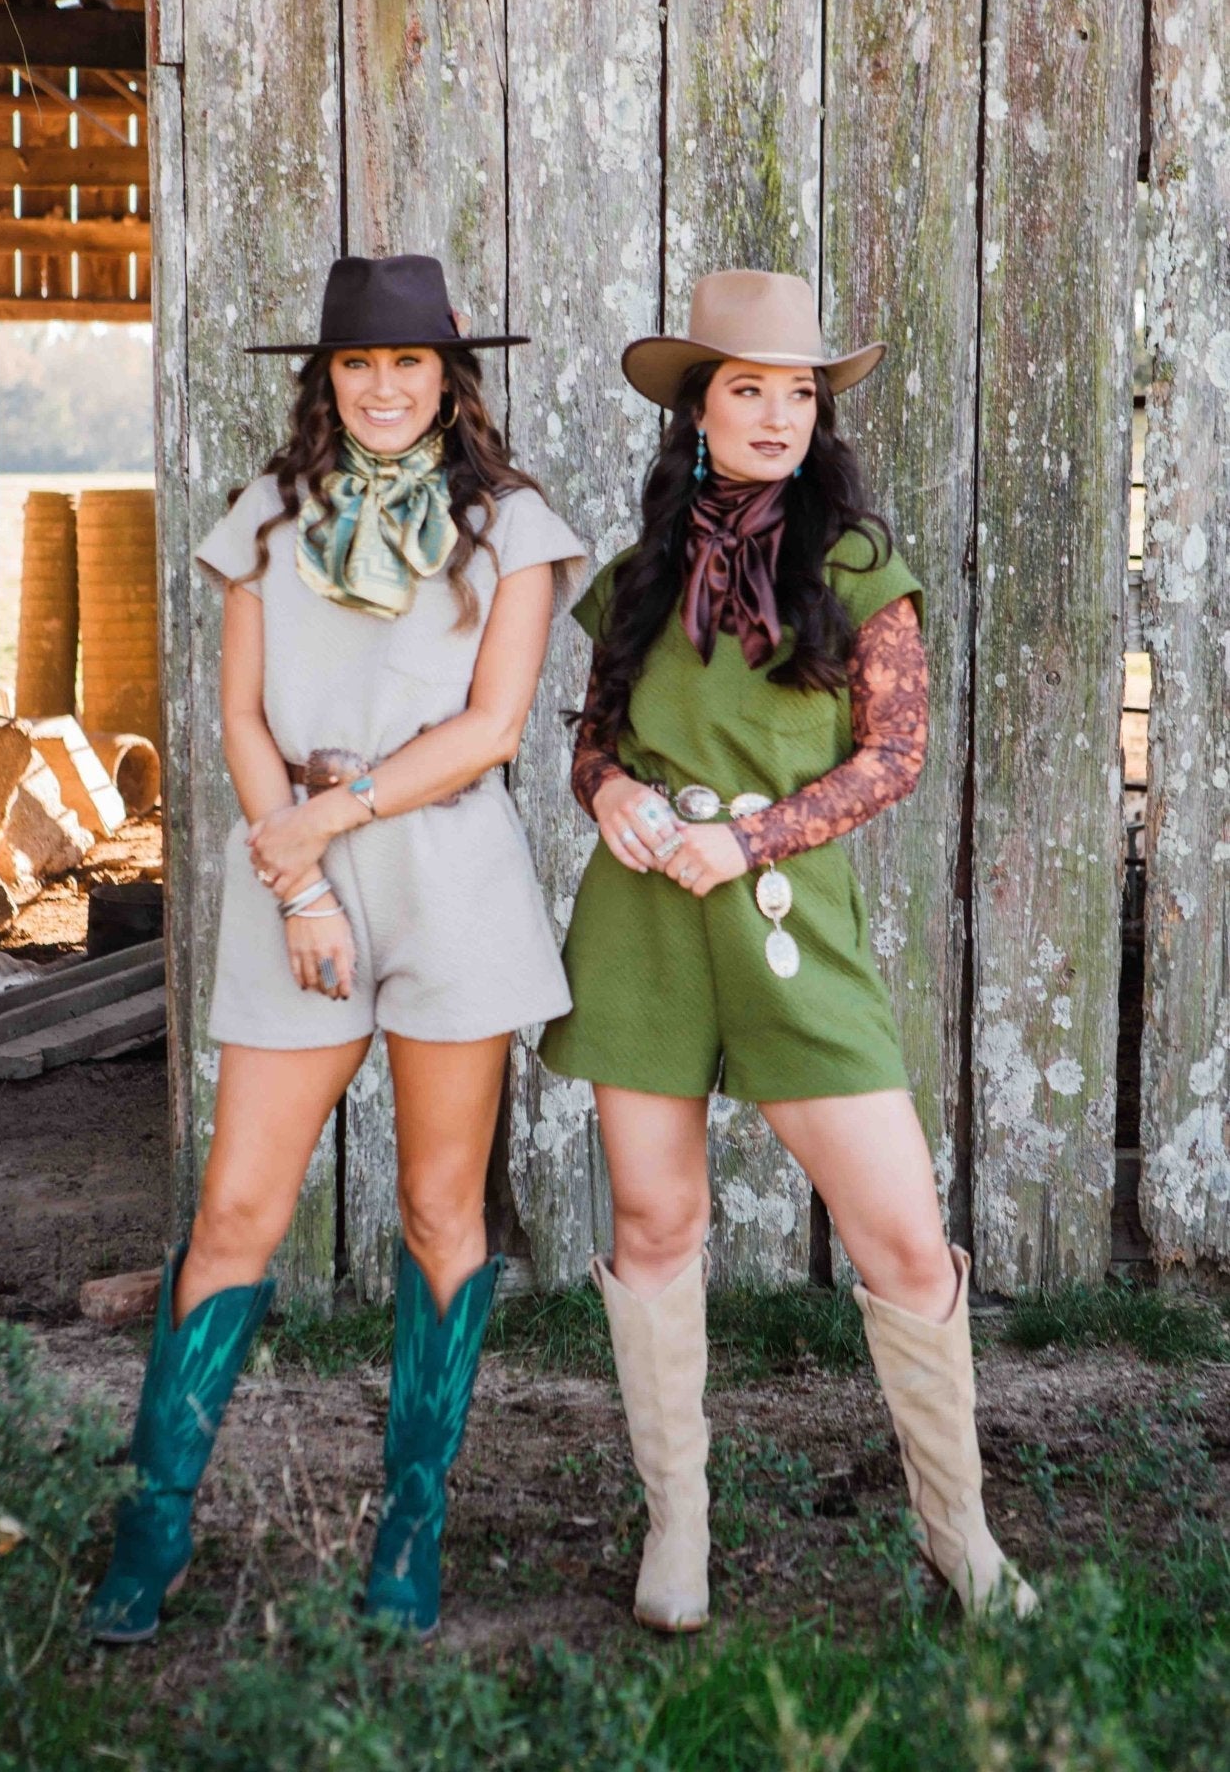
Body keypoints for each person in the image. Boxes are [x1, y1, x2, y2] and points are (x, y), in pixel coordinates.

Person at [85, 253, 586, 1644]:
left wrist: (333, 817)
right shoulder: (266, 517)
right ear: (326, 380)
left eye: (407, 362)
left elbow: (492, 729)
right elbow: (242, 717)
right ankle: (154, 1520)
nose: (381, 387)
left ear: (449, 377)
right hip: (288, 877)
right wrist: (300, 873)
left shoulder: (513, 529)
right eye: (357, 364)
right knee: (238, 1211)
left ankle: (411, 1523)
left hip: (447, 872)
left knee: (439, 1209)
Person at [538, 269, 1039, 1633]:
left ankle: (961, 1540)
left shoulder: (858, 567)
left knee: (904, 1239)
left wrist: (751, 839)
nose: (774, 414)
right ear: (697, 411)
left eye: (798, 393)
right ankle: (677, 1531)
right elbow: (590, 747)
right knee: (654, 1223)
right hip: (643, 918)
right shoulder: (637, 579)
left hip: (784, 920)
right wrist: (612, 796)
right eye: (747, 389)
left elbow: (896, 753)